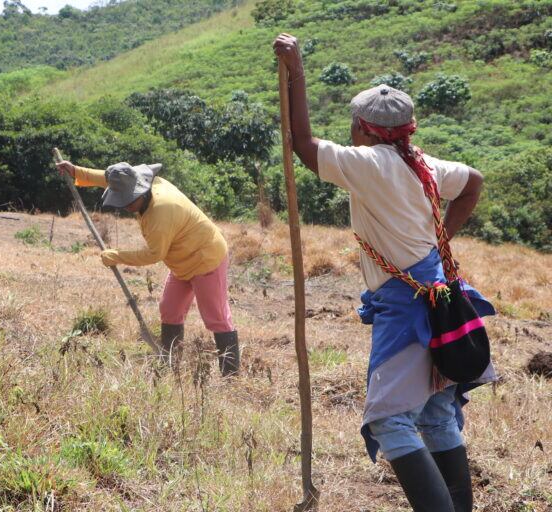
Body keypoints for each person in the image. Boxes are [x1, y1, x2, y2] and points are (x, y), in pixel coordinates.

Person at [274, 33, 496, 511]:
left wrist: (296, 73)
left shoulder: (370, 164)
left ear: (362, 127)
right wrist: (442, 240)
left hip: (407, 307)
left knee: (389, 420)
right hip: (440, 294)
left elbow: (303, 145)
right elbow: (473, 182)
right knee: (436, 414)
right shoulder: (424, 164)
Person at [55, 159, 240, 375]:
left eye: (126, 202)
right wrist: (76, 171)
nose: (124, 207)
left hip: (205, 259)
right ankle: (170, 365)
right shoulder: (138, 184)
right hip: (181, 262)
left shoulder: (161, 212)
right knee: (170, 310)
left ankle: (231, 377)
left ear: (139, 194)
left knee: (216, 317)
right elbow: (113, 180)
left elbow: (154, 254)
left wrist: (117, 256)